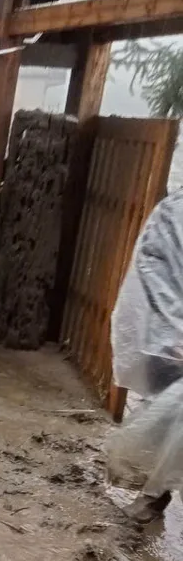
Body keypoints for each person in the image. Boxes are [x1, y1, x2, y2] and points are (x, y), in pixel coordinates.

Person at [105, 189, 183, 522]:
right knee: (166, 412)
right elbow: (153, 268)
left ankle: (156, 490)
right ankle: (154, 492)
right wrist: (175, 327)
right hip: (170, 338)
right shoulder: (173, 215)